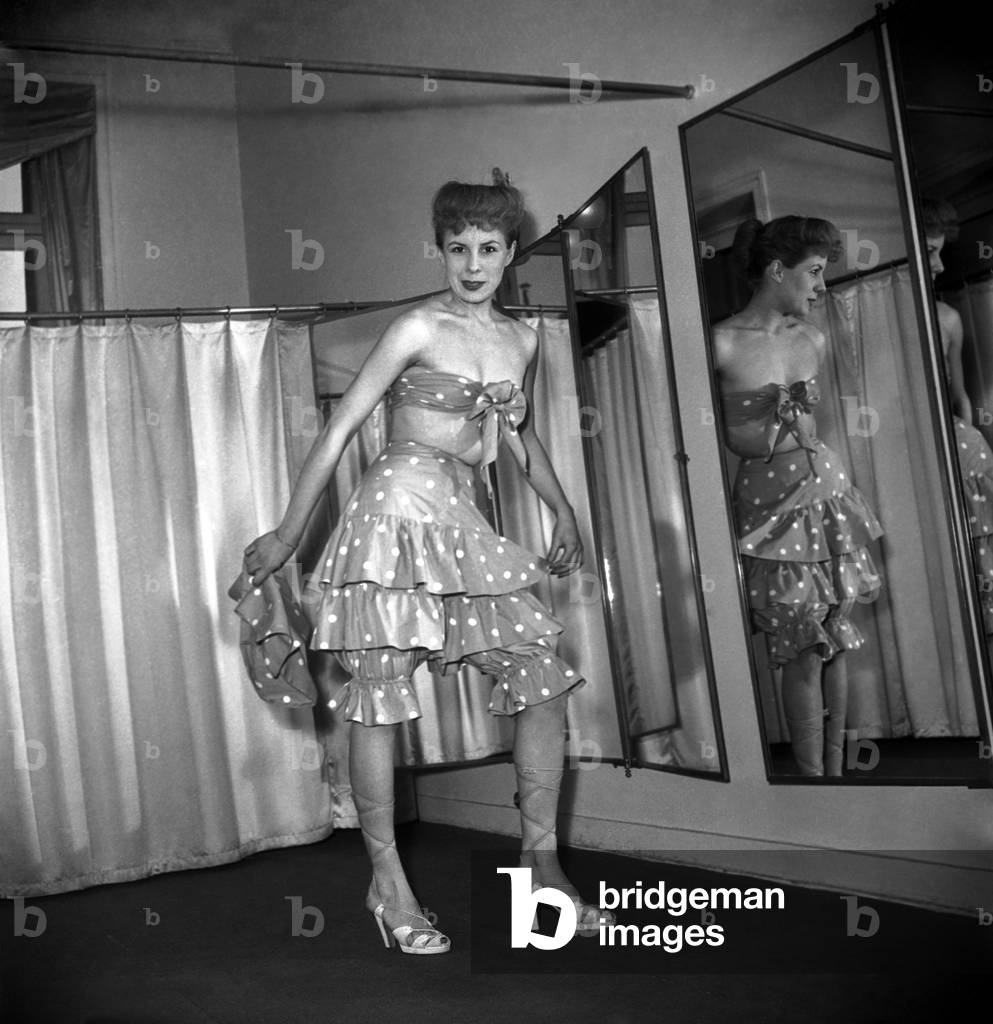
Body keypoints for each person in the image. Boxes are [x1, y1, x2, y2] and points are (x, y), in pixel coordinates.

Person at [243, 171, 610, 953]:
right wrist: (286, 533)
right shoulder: (417, 326)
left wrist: (563, 507)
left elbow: (520, 436)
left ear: (511, 253)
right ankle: (388, 885)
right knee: (379, 690)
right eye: (456, 248)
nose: (471, 264)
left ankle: (542, 868)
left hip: (463, 516)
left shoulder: (522, 337)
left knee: (539, 673)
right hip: (396, 509)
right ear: (440, 250)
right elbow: (341, 429)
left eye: (487, 248)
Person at [713, 216, 883, 776]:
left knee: (835, 636)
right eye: (813, 272)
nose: (820, 285)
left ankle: (838, 775)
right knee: (799, 647)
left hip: (827, 493)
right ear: (776, 270)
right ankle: (812, 784)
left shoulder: (813, 337)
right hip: (767, 503)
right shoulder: (719, 342)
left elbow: (814, 425)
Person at [922, 197, 993, 632]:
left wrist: (967, 443)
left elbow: (959, 396)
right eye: (930, 251)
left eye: (940, 251)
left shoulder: (947, 318)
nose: (940, 266)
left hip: (965, 454)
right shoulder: (879, 317)